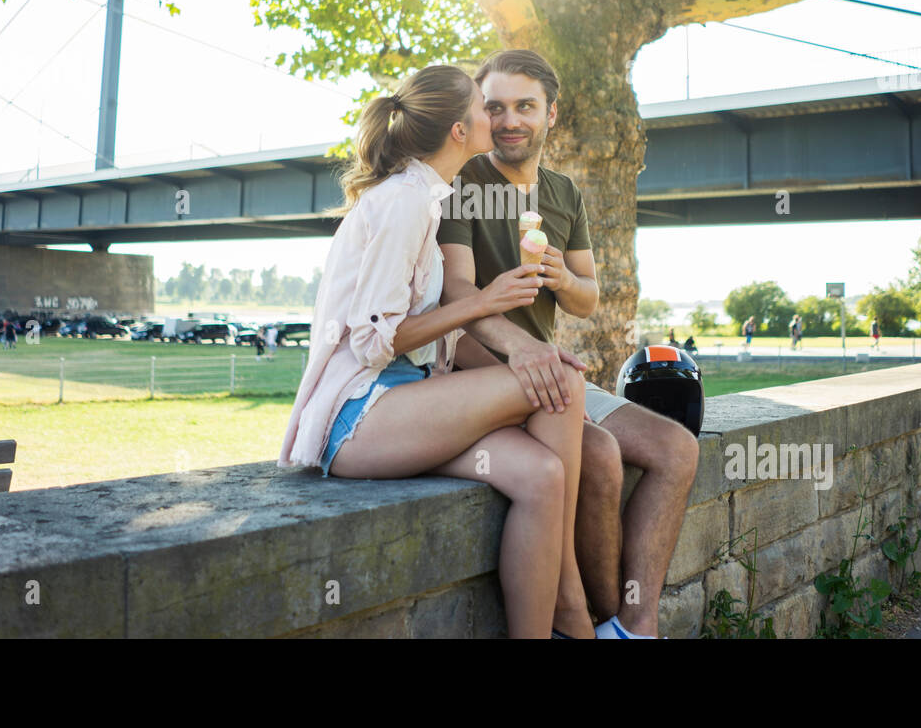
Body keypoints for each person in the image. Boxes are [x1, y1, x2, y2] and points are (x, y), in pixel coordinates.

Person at [277, 64, 594, 639]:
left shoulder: (430, 197)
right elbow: (376, 340)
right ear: (458, 130)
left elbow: (441, 347)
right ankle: (574, 617)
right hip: (360, 416)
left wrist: (526, 354)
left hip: (408, 405)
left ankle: (550, 629)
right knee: (564, 389)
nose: (494, 118)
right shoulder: (403, 202)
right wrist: (481, 304)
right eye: (483, 106)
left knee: (543, 474)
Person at [438, 49, 699, 640]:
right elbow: (456, 290)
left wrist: (562, 277)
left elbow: (588, 297)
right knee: (602, 457)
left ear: (551, 113)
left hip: (556, 370)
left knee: (677, 450)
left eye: (525, 106)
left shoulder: (564, 193)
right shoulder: (463, 181)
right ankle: (590, 622)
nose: (509, 120)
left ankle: (635, 626)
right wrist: (523, 352)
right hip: (499, 376)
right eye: (495, 107)